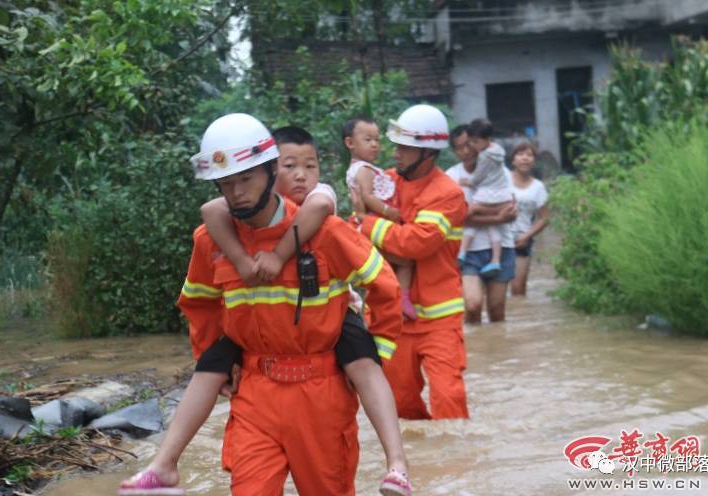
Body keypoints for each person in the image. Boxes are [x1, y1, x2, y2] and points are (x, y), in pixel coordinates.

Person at [119, 114, 405, 495]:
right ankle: (163, 466)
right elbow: (199, 305)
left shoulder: (326, 232)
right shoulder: (211, 241)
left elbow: (385, 286)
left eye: (246, 179)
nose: (235, 192)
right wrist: (217, 361)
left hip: (322, 393)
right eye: (226, 183)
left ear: (272, 171)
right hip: (254, 391)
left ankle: (397, 465)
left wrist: (376, 353)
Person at [351, 104, 469, 420]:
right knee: (400, 403)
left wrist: (369, 224)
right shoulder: (386, 181)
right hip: (392, 315)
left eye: (405, 148)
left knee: (448, 398)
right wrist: (364, 223)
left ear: (428, 153)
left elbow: (417, 243)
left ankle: (459, 464)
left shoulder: (447, 193)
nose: (396, 153)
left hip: (439, 317)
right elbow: (354, 223)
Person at [343, 116, 417, 321]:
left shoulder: (364, 168)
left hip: (371, 224)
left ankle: (391, 304)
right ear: (350, 143)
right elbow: (367, 197)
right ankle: (402, 299)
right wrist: (389, 211)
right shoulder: (363, 170)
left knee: (385, 269)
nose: (375, 145)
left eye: (377, 139)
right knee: (405, 262)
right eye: (368, 140)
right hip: (374, 223)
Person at [446, 126, 517, 324]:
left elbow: (511, 211)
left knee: (496, 310)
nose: (466, 151)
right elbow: (456, 218)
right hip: (468, 252)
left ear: (478, 143)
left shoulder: (500, 170)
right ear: (454, 151)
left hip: (502, 246)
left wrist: (476, 212)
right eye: (460, 148)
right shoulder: (450, 177)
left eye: (469, 144)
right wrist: (497, 217)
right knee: (473, 304)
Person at [456, 119, 513, 276]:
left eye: (473, 143)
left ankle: (462, 252)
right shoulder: (499, 152)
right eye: (463, 146)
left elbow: (477, 179)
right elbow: (508, 213)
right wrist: (498, 218)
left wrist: (466, 182)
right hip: (502, 198)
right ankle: (494, 260)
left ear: (486, 139)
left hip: (488, 196)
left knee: (470, 213)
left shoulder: (484, 157)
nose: (470, 149)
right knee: (492, 227)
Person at [508, 142, 549, 296]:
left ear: (534, 161)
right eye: (520, 154)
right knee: (492, 290)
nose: (525, 158)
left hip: (522, 240)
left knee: (518, 290)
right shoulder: (502, 180)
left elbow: (544, 218)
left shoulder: (538, 187)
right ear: (513, 160)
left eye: (529, 155)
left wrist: (527, 235)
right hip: (497, 239)